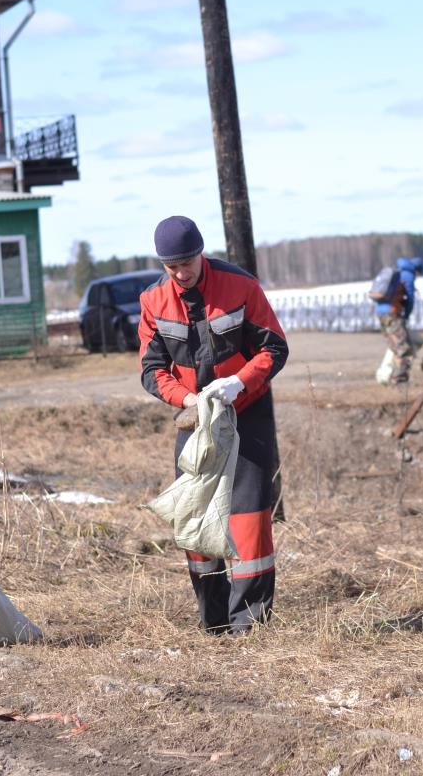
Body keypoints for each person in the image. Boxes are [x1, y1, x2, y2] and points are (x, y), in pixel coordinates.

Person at [138, 216, 289, 635]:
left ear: (201, 253)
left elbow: (274, 347)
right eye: (173, 268)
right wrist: (187, 399)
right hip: (195, 419)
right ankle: (215, 625)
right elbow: (151, 370)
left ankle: (251, 627)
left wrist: (239, 382)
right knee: (195, 517)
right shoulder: (153, 301)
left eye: (188, 263)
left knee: (249, 518)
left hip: (246, 410)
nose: (182, 273)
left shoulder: (240, 286)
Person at [374, 257, 423, 384]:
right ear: (417, 270)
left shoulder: (397, 272)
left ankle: (389, 378)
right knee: (406, 348)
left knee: (395, 347)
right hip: (393, 313)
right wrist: (406, 313)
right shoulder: (408, 275)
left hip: (381, 314)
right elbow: (410, 297)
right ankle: (400, 379)